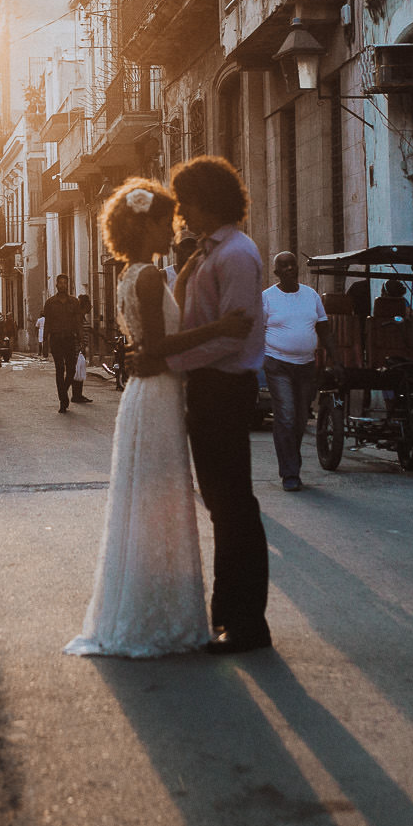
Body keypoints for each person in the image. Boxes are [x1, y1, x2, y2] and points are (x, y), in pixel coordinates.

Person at [67, 178, 252, 659]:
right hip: (157, 393)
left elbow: (150, 340)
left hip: (152, 394)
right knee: (160, 499)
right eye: (166, 221)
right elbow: (155, 348)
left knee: (150, 499)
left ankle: (149, 609)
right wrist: (221, 327)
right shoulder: (149, 277)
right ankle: (161, 615)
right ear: (144, 225)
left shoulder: (133, 273)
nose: (174, 228)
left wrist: (189, 274)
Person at [135, 155, 273, 655]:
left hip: (223, 386)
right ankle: (228, 613)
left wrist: (173, 361)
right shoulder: (206, 253)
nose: (182, 214)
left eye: (187, 203)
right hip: (205, 385)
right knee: (221, 504)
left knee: (233, 504)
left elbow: (233, 338)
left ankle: (247, 623)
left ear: (206, 201)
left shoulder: (235, 254)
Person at [262, 251, 330, 493]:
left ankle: (292, 461)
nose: (290, 268)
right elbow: (257, 332)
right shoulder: (267, 298)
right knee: (287, 416)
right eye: (284, 266)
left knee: (301, 418)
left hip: (306, 366)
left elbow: (323, 328)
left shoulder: (310, 295)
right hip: (277, 363)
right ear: (276, 272)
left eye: (293, 264)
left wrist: (337, 360)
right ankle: (290, 473)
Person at [43, 273, 87, 412]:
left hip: (69, 338)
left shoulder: (74, 302)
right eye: (60, 283)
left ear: (68, 285)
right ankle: (63, 400)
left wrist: (81, 340)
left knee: (71, 369)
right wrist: (45, 342)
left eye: (65, 283)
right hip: (56, 339)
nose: (62, 285)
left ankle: (63, 392)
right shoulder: (50, 303)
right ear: (56, 285)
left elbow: (79, 322)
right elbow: (47, 323)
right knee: (59, 369)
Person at [72, 294, 95, 403]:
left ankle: (77, 395)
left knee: (79, 372)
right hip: (78, 349)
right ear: (85, 305)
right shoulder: (79, 317)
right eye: (89, 304)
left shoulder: (82, 316)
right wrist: (81, 346)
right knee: (77, 372)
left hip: (80, 348)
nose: (91, 307)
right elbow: (77, 331)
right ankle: (76, 395)